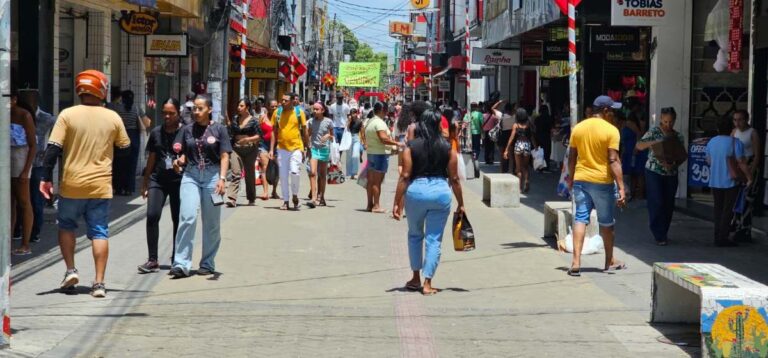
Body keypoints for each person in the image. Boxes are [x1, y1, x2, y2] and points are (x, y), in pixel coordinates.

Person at [39, 70, 131, 297]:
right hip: (100, 186)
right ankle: (99, 283)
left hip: (72, 185)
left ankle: (71, 270)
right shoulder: (112, 117)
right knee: (100, 231)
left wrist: (45, 178)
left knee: (67, 226)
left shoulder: (67, 115)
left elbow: (53, 149)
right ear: (101, 89)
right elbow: (126, 150)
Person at [392, 109, 465, 296]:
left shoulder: (411, 146)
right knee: (434, 240)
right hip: (440, 192)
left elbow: (405, 175)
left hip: (416, 192)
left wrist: (397, 201)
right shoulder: (448, 148)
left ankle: (415, 277)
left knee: (415, 235)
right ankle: (427, 283)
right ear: (438, 125)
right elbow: (455, 178)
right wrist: (461, 203)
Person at [170, 95, 231, 278]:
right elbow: (183, 154)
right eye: (194, 109)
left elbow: (225, 156)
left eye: (200, 108)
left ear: (209, 109)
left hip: (213, 177)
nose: (196, 112)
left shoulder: (219, 129)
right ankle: (181, 263)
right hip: (191, 175)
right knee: (187, 216)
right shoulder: (186, 130)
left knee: (211, 223)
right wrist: (178, 161)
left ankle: (207, 263)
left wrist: (222, 179)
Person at [566, 95, 627, 277]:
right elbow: (613, 160)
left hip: (581, 180)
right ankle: (609, 261)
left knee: (580, 219)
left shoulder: (578, 128)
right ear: (606, 111)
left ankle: (576, 262)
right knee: (606, 223)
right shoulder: (611, 131)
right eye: (612, 111)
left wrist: (571, 178)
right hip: (602, 182)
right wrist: (622, 187)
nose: (613, 114)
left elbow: (572, 157)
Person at [137, 98, 183, 273]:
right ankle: (152, 259)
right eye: (165, 112)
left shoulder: (185, 132)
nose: (167, 116)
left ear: (178, 113)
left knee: (178, 219)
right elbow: (152, 158)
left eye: (171, 113)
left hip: (179, 181)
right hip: (158, 179)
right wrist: (146, 181)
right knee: (152, 215)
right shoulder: (156, 132)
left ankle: (177, 257)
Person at [636, 107, 686, 246]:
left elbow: (681, 154)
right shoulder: (654, 132)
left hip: (671, 172)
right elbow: (639, 145)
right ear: (660, 119)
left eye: (670, 122)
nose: (668, 125)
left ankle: (664, 231)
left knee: (668, 203)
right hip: (654, 171)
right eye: (665, 121)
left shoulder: (678, 136)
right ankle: (658, 234)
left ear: (674, 120)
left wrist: (674, 164)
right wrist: (655, 142)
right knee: (656, 201)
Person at [706, 115, 753, 247]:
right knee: (728, 210)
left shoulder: (712, 142)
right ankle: (723, 237)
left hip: (715, 181)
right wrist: (749, 178)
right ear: (731, 128)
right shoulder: (735, 143)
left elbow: (709, 161)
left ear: (717, 128)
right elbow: (742, 163)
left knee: (718, 209)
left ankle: (717, 235)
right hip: (730, 181)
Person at [17, 90, 56, 244]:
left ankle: (35, 232)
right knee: (19, 200)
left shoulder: (48, 119)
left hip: (38, 164)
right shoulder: (17, 115)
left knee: (36, 199)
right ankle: (18, 229)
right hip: (19, 162)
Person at [270, 93, 309, 211]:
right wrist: (271, 149)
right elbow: (273, 132)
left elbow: (305, 131)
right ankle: (286, 201)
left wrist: (307, 147)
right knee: (283, 176)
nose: (282, 102)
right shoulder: (277, 113)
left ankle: (295, 194)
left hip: (296, 148)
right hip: (281, 149)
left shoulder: (299, 113)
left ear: (292, 101)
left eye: (285, 100)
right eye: (281, 100)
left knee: (295, 172)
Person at [364, 102, 403, 213]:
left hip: (371, 152)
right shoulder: (379, 123)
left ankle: (369, 205)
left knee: (371, 181)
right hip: (379, 154)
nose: (387, 112)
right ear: (382, 110)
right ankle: (376, 206)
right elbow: (383, 138)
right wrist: (396, 143)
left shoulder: (369, 121)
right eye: (386, 110)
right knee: (377, 181)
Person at [111, 90, 151, 196]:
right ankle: (129, 189)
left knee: (118, 164)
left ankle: (118, 188)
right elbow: (147, 123)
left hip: (120, 136)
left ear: (122, 98)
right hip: (133, 137)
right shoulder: (137, 108)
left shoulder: (116, 108)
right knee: (131, 165)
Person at [11, 93, 37, 255]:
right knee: (8, 204)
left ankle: (25, 244)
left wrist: (26, 170)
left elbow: (33, 145)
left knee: (23, 201)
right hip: (6, 159)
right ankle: (6, 242)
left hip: (21, 158)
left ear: (14, 99)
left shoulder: (24, 115)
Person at [731, 109, 761, 242]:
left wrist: (751, 172)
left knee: (747, 200)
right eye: (735, 120)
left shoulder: (752, 133)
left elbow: (757, 155)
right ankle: (736, 226)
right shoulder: (734, 132)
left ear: (746, 119)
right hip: (738, 166)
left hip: (748, 165)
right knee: (736, 199)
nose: (738, 123)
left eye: (740, 119)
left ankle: (745, 229)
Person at [226, 98, 261, 207]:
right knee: (236, 173)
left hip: (250, 150)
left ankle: (251, 198)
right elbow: (231, 133)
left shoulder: (254, 120)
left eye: (241, 106)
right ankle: (232, 198)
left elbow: (259, 136)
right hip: (236, 149)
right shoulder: (235, 119)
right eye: (238, 106)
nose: (238, 108)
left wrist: (247, 140)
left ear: (247, 107)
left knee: (250, 175)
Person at [306, 103, 334, 208]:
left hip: (324, 149)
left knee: (322, 175)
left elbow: (333, 137)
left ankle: (321, 197)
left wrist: (328, 135)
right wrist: (306, 147)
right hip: (314, 149)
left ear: (322, 110)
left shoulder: (328, 122)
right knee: (312, 173)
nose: (314, 111)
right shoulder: (310, 122)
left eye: (317, 109)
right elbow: (308, 135)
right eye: (314, 109)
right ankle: (313, 198)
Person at [503, 108, 536, 193]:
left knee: (518, 168)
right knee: (525, 166)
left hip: (518, 145)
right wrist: (535, 147)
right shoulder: (528, 124)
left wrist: (506, 149)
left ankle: (519, 188)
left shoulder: (516, 125)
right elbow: (532, 137)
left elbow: (512, 137)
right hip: (527, 145)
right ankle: (527, 181)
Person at [258, 99, 277, 200]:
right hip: (264, 145)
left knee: (276, 169)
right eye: (272, 106)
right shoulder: (262, 118)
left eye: (276, 106)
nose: (274, 108)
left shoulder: (280, 118)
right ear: (268, 107)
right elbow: (257, 131)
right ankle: (265, 192)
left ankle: (274, 191)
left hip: (277, 146)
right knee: (264, 167)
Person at [492, 100, 516, 174]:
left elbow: (492, 108)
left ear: (505, 109)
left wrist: (500, 102)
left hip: (502, 135)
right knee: (511, 155)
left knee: (502, 154)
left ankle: (502, 171)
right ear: (512, 109)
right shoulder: (515, 117)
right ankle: (511, 171)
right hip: (511, 135)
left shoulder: (501, 115)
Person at [534, 105, 554, 171]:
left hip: (538, 136)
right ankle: (546, 166)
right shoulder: (549, 118)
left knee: (540, 152)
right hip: (546, 136)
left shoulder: (537, 118)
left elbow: (535, 127)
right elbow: (551, 128)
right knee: (547, 152)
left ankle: (540, 166)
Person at [346, 107, 363, 179]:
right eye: (351, 113)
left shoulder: (359, 121)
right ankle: (349, 173)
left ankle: (354, 173)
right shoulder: (349, 121)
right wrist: (349, 121)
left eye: (354, 113)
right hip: (349, 138)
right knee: (349, 156)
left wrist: (363, 142)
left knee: (355, 155)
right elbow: (346, 129)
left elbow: (362, 132)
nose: (353, 115)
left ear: (356, 113)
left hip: (356, 138)